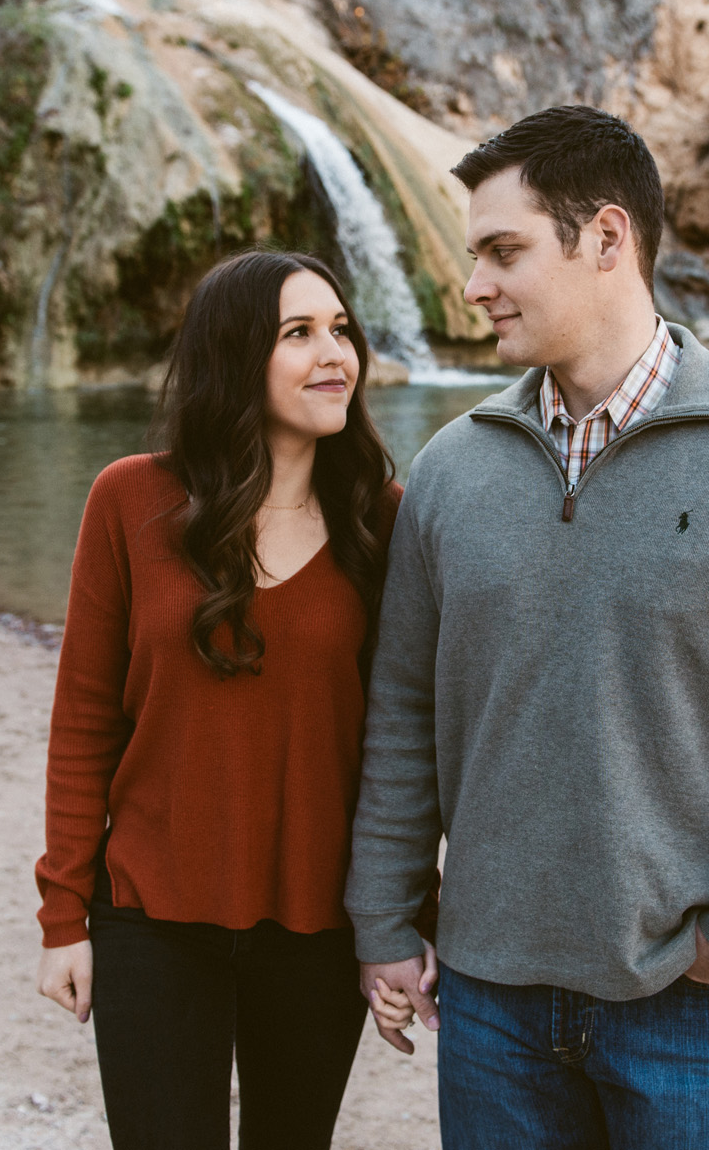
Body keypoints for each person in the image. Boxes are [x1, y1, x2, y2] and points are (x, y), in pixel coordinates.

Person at [346, 106, 709, 1148]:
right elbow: (402, 711)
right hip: (489, 1004)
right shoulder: (449, 474)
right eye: (476, 257)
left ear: (606, 239)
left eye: (502, 252)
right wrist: (382, 920)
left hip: (692, 1003)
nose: (474, 286)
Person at [33, 250, 431, 1149]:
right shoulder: (128, 499)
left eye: (341, 331)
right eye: (299, 334)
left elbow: (407, 745)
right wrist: (63, 915)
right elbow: (86, 718)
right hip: (150, 918)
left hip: (318, 926)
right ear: (233, 356)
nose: (335, 354)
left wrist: (405, 919)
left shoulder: (385, 521)